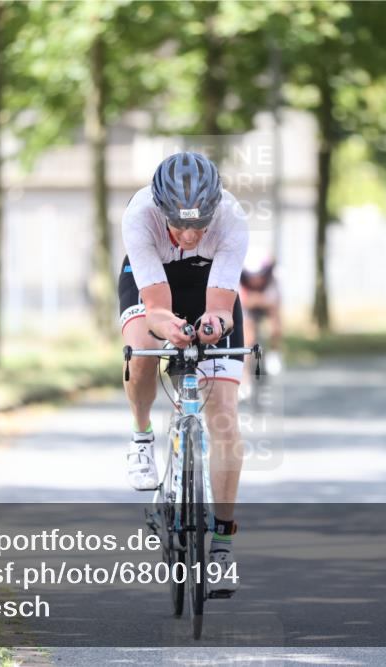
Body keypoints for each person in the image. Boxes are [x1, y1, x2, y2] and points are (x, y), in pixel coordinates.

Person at [118, 151, 247, 593]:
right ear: (161, 209)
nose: (191, 235)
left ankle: (224, 542)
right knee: (143, 351)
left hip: (209, 283)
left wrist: (214, 324)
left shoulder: (232, 218)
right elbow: (155, 308)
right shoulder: (139, 215)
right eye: (180, 224)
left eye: (200, 225)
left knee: (225, 417)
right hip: (152, 281)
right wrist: (166, 326)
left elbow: (221, 308)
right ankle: (141, 437)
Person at [239, 248, 283, 398]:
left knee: (275, 320)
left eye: (259, 276)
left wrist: (261, 301)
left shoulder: (273, 278)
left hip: (267, 304)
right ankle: (245, 377)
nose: (255, 280)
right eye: (252, 276)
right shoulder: (240, 279)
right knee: (248, 333)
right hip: (248, 309)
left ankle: (274, 352)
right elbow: (243, 302)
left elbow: (274, 303)